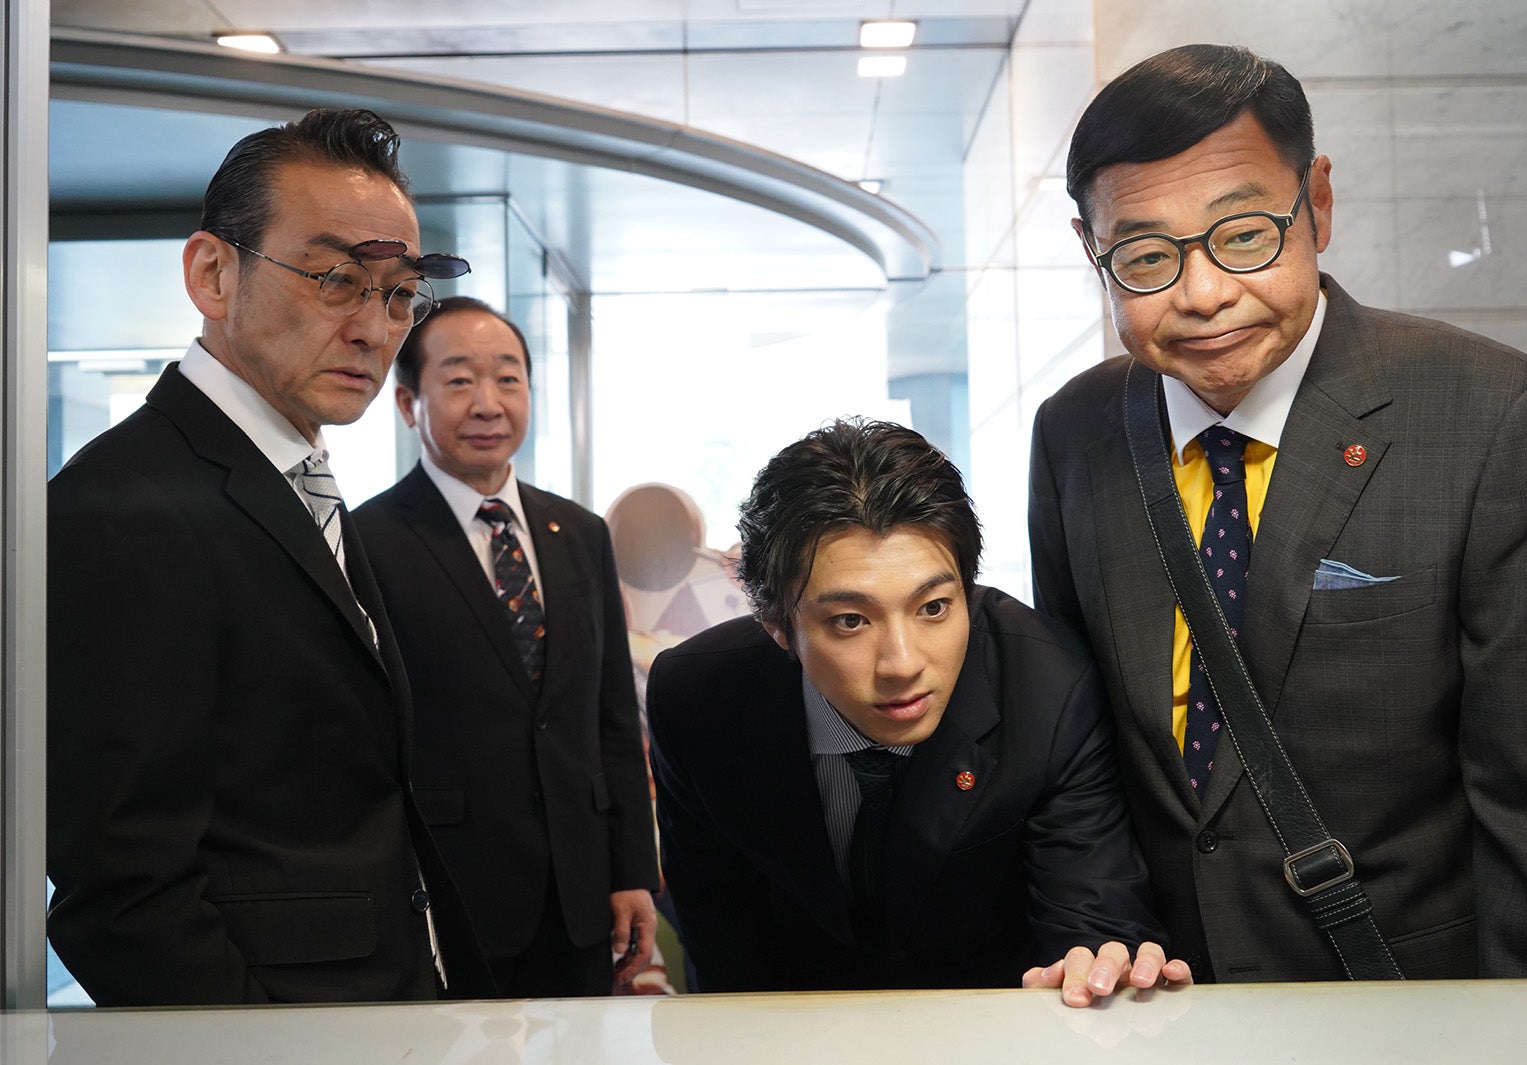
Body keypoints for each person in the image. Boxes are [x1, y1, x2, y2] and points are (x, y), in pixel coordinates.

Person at [1028, 43, 1527, 983]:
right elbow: (1076, 751)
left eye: (1244, 234)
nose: (1204, 293)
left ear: (1318, 204)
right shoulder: (1074, 432)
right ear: (1092, 250)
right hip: (1161, 1007)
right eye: (1146, 256)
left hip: (1409, 1007)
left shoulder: (1495, 415)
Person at [47, 109, 495, 1005]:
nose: (374, 328)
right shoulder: (122, 503)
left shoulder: (295, 474)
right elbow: (126, 895)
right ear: (213, 274)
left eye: (399, 293)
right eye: (336, 279)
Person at [648, 419, 1189, 1006]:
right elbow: (720, 936)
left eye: (933, 607)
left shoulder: (1048, 683)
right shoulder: (697, 698)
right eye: (850, 621)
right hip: (789, 1022)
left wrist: (1096, 962)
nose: (903, 664)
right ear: (778, 625)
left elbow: (1092, 913)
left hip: (991, 1022)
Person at [352, 297, 660, 997]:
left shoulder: (580, 532)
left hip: (580, 890)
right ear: (408, 403)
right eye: (459, 380)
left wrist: (631, 869)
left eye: (508, 378)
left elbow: (612, 717)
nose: (488, 403)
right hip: (449, 891)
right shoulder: (369, 543)